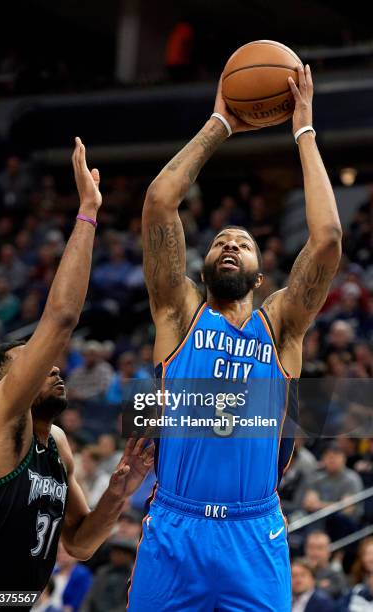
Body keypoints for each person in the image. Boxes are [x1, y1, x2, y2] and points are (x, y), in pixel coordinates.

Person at [127, 64, 342, 611]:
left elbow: (327, 238)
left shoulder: (281, 324)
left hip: (253, 534)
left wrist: (304, 130)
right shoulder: (178, 314)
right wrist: (221, 122)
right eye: (220, 240)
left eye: (242, 244)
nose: (228, 245)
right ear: (201, 266)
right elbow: (158, 204)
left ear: (261, 274)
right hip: (177, 526)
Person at [0, 138, 154, 599]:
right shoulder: (4, 420)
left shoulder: (59, 446)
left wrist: (118, 492)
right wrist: (88, 212)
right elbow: (62, 318)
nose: (49, 366)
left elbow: (80, 543)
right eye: (28, 362)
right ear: (3, 387)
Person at [304, 531, 347, 599]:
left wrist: (311, 584)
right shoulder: (295, 571)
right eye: (311, 547)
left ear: (329, 552)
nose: (315, 552)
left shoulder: (335, 575)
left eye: (319, 548)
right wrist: (318, 584)